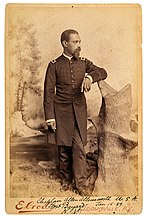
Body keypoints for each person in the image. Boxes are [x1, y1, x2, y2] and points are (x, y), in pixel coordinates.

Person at [44, 29, 107, 196]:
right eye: (75, 42)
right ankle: (65, 180)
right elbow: (48, 93)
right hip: (60, 112)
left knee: (79, 147)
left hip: (78, 112)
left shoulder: (84, 62)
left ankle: (81, 184)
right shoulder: (54, 65)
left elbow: (103, 71)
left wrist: (89, 78)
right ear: (65, 43)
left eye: (80, 41)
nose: (79, 45)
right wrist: (50, 117)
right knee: (63, 149)